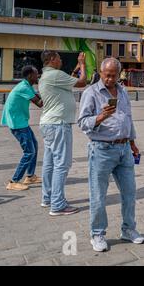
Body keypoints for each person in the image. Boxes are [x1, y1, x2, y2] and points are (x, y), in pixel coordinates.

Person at [77, 57, 144, 252]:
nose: (110, 79)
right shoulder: (91, 93)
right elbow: (82, 122)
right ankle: (97, 233)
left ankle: (128, 230)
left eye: (114, 75)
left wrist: (132, 143)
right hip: (102, 150)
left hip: (124, 149)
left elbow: (127, 118)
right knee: (98, 194)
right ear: (100, 71)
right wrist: (101, 116)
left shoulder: (122, 91)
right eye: (107, 75)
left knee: (130, 192)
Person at [38, 51, 87, 216]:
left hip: (49, 123)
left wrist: (76, 67)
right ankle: (57, 204)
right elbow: (82, 82)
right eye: (59, 58)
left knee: (50, 163)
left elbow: (70, 78)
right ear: (52, 59)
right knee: (62, 164)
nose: (61, 60)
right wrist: (83, 64)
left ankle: (48, 197)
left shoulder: (49, 75)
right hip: (58, 124)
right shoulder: (55, 75)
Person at [1, 66, 43, 191]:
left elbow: (38, 96)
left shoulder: (27, 85)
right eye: (36, 74)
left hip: (21, 121)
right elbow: (40, 103)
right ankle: (13, 181)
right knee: (29, 151)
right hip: (17, 123)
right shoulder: (24, 87)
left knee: (34, 145)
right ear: (30, 76)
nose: (38, 76)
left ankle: (30, 176)